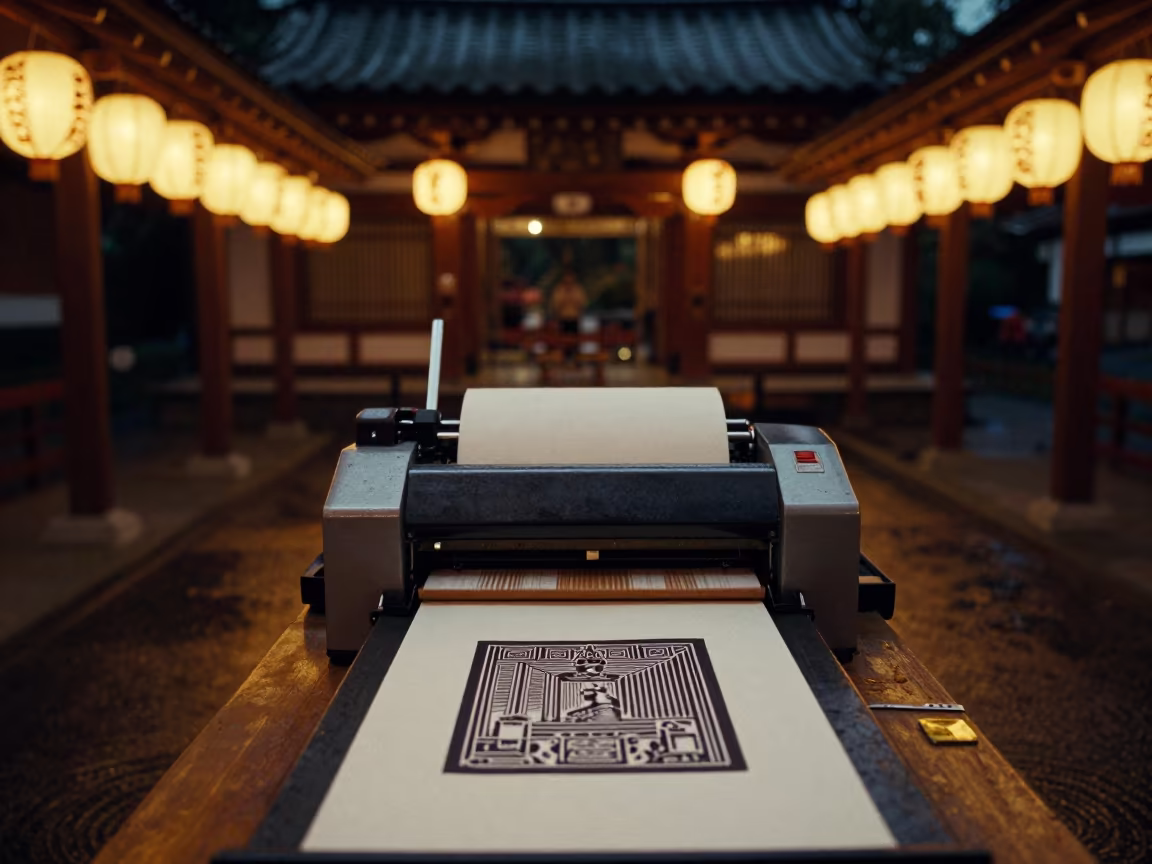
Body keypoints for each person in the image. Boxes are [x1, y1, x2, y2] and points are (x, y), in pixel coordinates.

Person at [549, 269, 587, 359]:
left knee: (575, 341)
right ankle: (564, 359)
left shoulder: (578, 289)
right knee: (563, 341)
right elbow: (555, 304)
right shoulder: (559, 290)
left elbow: (582, 303)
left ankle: (576, 359)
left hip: (574, 319)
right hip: (563, 319)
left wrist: (573, 300)